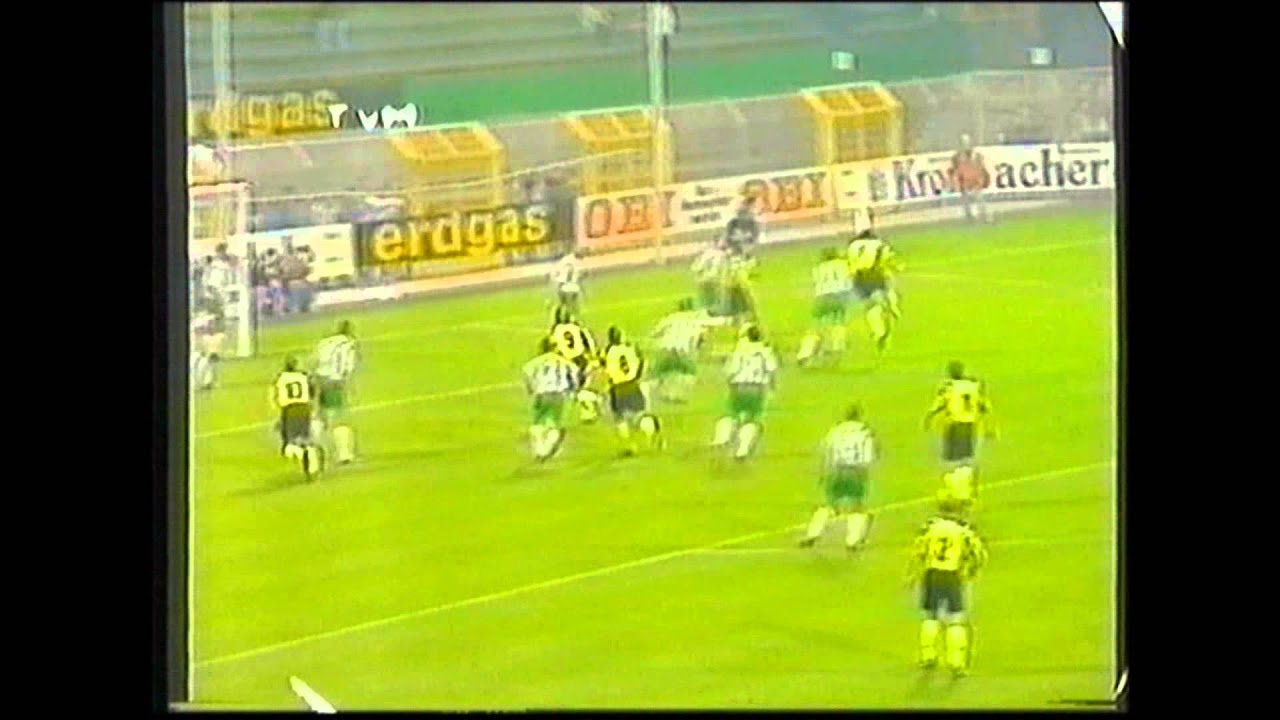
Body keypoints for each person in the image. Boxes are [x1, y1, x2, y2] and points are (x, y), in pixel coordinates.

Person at [906, 501, 988, 677]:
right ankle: (956, 662)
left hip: (932, 574)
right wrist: (972, 571)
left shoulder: (930, 529)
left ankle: (928, 655)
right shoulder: (963, 531)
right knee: (955, 619)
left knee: (930, 616)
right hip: (951, 576)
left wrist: (913, 574)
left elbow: (918, 552)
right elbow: (978, 554)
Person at [799, 404, 877, 551]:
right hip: (856, 472)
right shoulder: (865, 432)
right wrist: (866, 472)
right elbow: (868, 456)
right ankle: (853, 541)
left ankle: (813, 533)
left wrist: (823, 473)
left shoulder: (836, 431)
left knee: (829, 505)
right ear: (859, 417)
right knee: (857, 507)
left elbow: (827, 451)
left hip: (836, 471)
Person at [710, 324, 779, 461]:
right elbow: (771, 369)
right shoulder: (766, 351)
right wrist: (772, 386)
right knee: (753, 419)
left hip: (738, 386)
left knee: (730, 413)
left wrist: (729, 382)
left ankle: (722, 438)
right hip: (757, 388)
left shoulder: (739, 350)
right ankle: (742, 450)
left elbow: (731, 370)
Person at [923, 361, 997, 469]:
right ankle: (967, 475)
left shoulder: (949, 386)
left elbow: (938, 405)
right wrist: (991, 427)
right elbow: (984, 407)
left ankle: (956, 476)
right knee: (967, 458)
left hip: (955, 426)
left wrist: (928, 417)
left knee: (951, 459)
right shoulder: (974, 385)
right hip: (970, 426)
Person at [602, 326, 663, 457]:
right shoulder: (630, 349)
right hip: (633, 385)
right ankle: (652, 432)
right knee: (639, 416)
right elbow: (642, 362)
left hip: (618, 389)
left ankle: (629, 446)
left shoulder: (608, 351)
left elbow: (604, 368)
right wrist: (637, 377)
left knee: (620, 418)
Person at [521, 337, 580, 462]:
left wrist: (530, 387)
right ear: (554, 347)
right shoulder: (563, 361)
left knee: (538, 421)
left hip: (541, 393)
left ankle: (539, 449)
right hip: (558, 394)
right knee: (554, 423)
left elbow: (526, 371)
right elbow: (574, 371)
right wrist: (573, 389)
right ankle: (546, 449)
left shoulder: (537, 361)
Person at [847, 227, 903, 354]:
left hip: (859, 278)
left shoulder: (852, 246)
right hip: (875, 275)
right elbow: (887, 256)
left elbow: (850, 263)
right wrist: (896, 266)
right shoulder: (878, 243)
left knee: (870, 306)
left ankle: (878, 330)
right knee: (888, 288)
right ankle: (893, 306)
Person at [796, 247, 854, 367]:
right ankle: (836, 348)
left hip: (822, 298)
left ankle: (805, 353)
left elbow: (817, 282)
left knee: (815, 327)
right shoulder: (843, 264)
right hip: (839, 297)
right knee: (838, 323)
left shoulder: (818, 268)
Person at [270, 356, 324, 481]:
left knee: (290, 445)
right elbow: (313, 392)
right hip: (304, 409)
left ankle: (301, 455)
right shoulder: (304, 376)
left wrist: (277, 407)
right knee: (306, 439)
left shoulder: (280, 378)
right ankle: (313, 466)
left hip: (289, 410)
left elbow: (274, 396)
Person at [313, 321, 359, 465]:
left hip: (320, 379)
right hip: (335, 381)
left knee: (321, 415)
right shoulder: (349, 344)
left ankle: (314, 445)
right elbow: (347, 367)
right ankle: (344, 454)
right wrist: (347, 386)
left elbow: (316, 360)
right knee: (339, 419)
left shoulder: (325, 342)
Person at [649, 298, 712, 403]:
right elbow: (702, 338)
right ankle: (674, 395)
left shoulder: (671, 317)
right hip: (684, 350)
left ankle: (655, 395)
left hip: (666, 349)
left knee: (657, 374)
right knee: (690, 374)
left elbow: (655, 333)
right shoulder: (697, 320)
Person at [550, 306, 603, 423]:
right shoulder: (576, 328)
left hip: (569, 363)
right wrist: (593, 356)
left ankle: (592, 404)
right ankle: (589, 409)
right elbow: (589, 341)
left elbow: (553, 347)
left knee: (572, 391)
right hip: (581, 360)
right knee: (577, 389)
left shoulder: (556, 330)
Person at [950, 134, 991, 223]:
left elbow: (981, 168)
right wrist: (957, 182)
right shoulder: (956, 157)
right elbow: (955, 170)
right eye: (963, 142)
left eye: (967, 142)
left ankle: (985, 217)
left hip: (975, 182)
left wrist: (981, 180)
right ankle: (970, 218)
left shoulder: (976, 155)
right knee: (966, 202)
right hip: (964, 182)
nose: (966, 144)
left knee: (979, 199)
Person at [550, 250, 585, 319]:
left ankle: (567, 314)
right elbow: (577, 274)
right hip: (568, 284)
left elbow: (558, 272)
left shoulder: (566, 261)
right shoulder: (572, 262)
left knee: (565, 302)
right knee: (569, 302)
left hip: (564, 284)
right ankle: (571, 314)